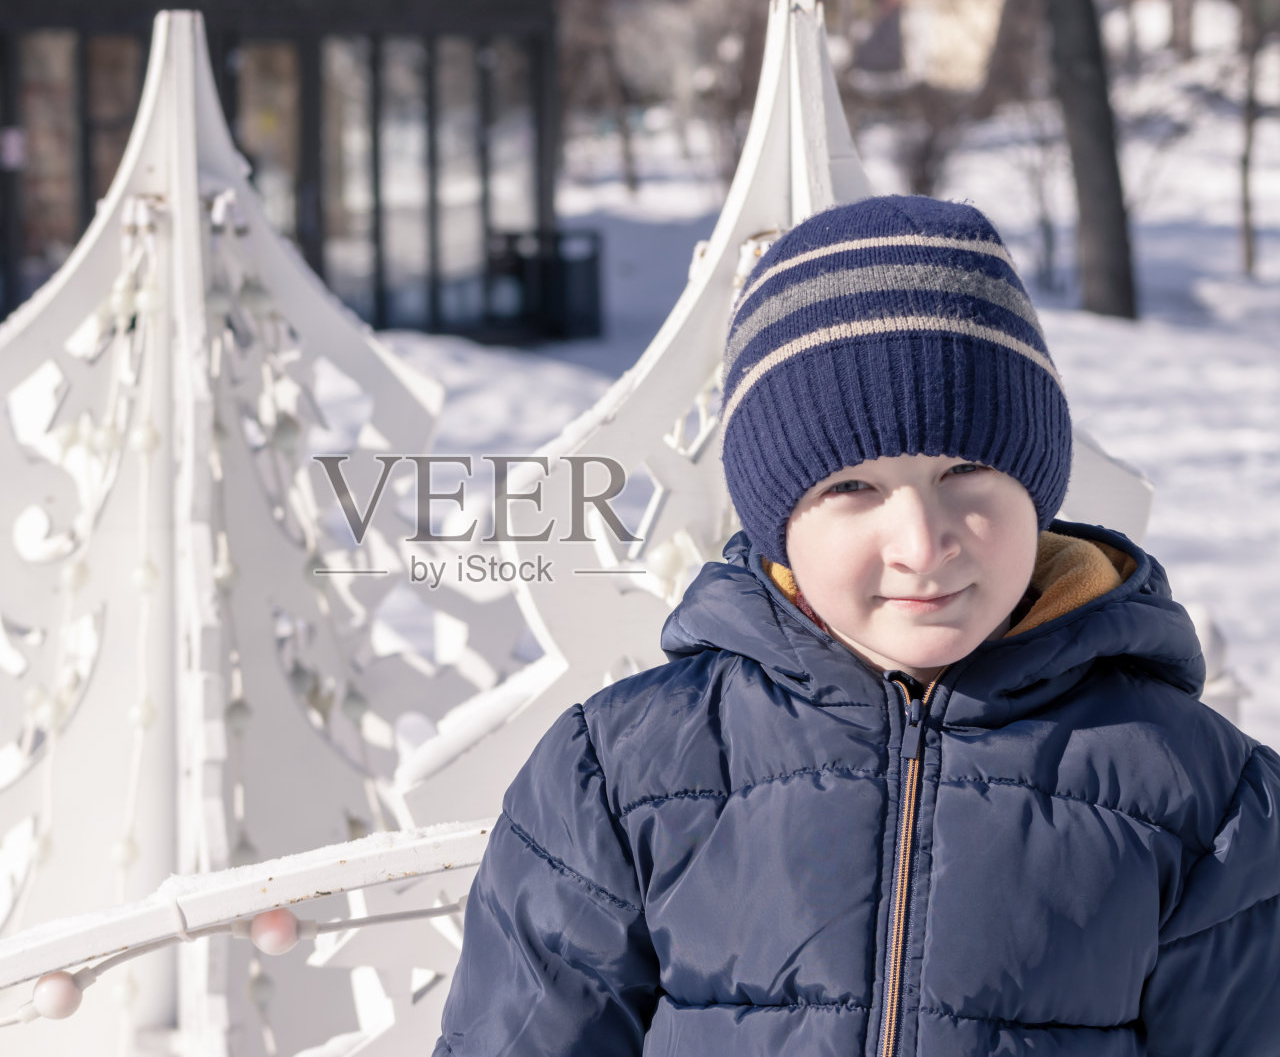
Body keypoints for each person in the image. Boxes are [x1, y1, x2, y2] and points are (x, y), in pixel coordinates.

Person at [432, 195, 1280, 1056]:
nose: (921, 542)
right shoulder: (618, 774)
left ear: (1037, 486)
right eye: (852, 488)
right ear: (779, 524)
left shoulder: (1206, 799)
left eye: (968, 469)